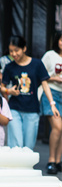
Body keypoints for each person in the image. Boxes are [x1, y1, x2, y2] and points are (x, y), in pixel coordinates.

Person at [1, 35, 60, 149]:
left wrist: (52, 104)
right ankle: (14, 167)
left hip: (32, 109)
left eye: (16, 50)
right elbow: (2, 87)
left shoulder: (37, 64)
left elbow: (45, 84)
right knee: (16, 145)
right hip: (14, 109)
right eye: (11, 51)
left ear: (24, 48)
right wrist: (9, 91)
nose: (13, 54)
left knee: (28, 146)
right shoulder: (9, 67)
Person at [40, 31, 62, 173]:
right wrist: (54, 78)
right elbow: (40, 74)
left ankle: (58, 161)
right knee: (57, 127)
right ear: (57, 41)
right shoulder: (50, 55)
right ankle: (51, 160)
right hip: (51, 93)